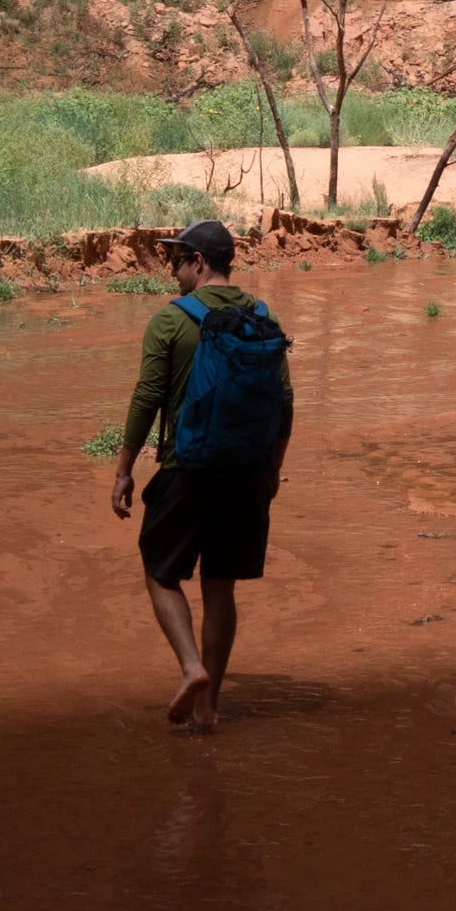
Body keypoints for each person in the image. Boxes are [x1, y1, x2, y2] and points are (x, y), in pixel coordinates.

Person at [108, 217, 293, 728]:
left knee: (159, 570)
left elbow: (147, 398)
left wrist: (123, 470)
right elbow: (285, 400)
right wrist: (272, 470)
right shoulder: (263, 314)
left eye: (176, 260)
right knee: (220, 586)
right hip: (248, 472)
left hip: (187, 469)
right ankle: (209, 712)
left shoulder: (171, 320)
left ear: (200, 263)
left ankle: (192, 668)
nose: (171, 270)